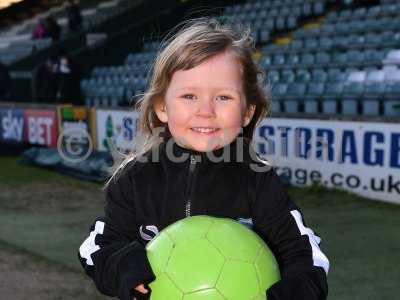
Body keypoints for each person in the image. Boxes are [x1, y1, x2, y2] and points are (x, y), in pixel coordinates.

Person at [78, 18, 329, 300]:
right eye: (189, 96)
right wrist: (123, 266)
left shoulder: (256, 179)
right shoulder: (135, 178)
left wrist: (299, 288)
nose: (206, 111)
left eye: (223, 97)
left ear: (247, 112)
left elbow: (304, 252)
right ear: (162, 107)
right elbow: (96, 246)